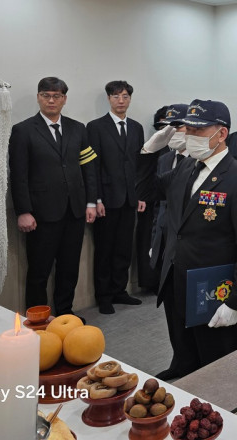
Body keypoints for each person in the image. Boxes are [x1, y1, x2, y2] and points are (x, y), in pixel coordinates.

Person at [139, 99, 237, 376]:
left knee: (215, 367)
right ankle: (181, 370)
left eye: (199, 130)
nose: (190, 136)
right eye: (189, 129)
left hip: (212, 288)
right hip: (176, 279)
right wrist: (148, 152)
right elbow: (147, 190)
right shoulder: (186, 167)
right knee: (183, 351)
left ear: (221, 133)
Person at [8, 77, 97, 318]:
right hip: (41, 213)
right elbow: (19, 174)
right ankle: (37, 318)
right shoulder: (23, 130)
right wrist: (23, 211)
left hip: (74, 211)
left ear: (64, 99)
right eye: (46, 95)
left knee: (69, 268)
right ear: (38, 97)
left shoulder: (78, 128)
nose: (51, 100)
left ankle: (65, 313)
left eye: (56, 96)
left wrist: (91, 201)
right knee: (39, 270)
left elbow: (88, 168)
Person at [136, 103, 191, 380]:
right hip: (165, 242)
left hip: (190, 248)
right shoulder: (165, 159)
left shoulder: (199, 161)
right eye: (167, 128)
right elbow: (153, 199)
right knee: (171, 309)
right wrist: (155, 240)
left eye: (179, 126)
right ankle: (179, 360)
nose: (173, 132)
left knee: (190, 311)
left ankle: (195, 364)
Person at [86, 81, 145, 315]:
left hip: (130, 198)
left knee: (123, 248)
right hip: (107, 199)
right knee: (105, 249)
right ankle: (104, 296)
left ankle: (120, 290)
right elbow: (93, 166)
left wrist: (140, 195)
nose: (121, 100)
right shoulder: (95, 127)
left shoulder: (137, 128)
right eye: (116, 96)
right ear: (109, 99)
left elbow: (139, 165)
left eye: (125, 96)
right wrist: (97, 199)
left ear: (130, 99)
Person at [134, 105, 170, 294]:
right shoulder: (155, 146)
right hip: (152, 201)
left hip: (170, 203)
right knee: (148, 241)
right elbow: (144, 174)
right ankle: (150, 281)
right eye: (162, 125)